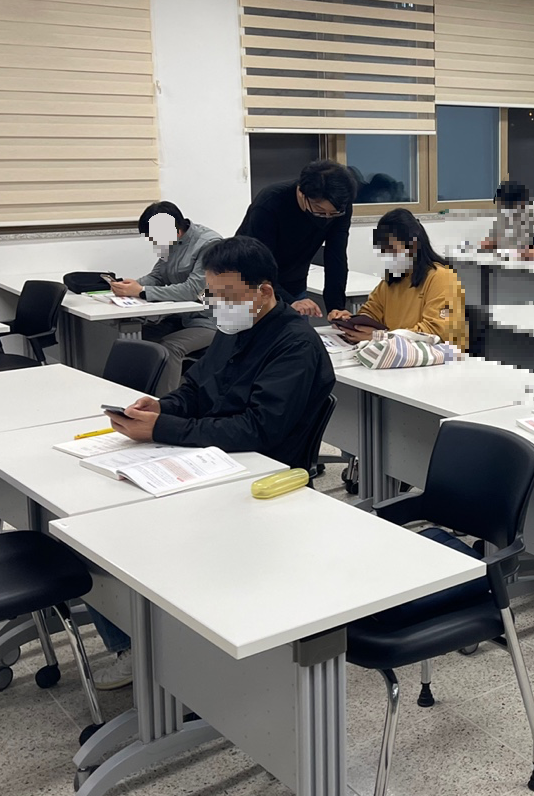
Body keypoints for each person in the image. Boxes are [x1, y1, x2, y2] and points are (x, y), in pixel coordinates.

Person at [91, 237, 335, 689]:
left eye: (227, 295)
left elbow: (257, 431)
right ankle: (137, 639)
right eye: (212, 295)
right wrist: (163, 408)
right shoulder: (233, 327)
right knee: (102, 521)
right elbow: (198, 388)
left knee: (138, 531)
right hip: (212, 457)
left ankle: (169, 651)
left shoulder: (294, 345)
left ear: (263, 291)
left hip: (261, 476)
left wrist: (163, 430)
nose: (218, 305)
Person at [107, 201, 221, 392]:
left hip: (211, 321)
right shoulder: (170, 242)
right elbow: (157, 276)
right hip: (181, 318)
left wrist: (141, 291)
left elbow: (193, 290)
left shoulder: (209, 245)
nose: (154, 243)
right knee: (135, 339)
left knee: (170, 347)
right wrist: (130, 286)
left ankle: (163, 404)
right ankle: (131, 395)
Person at [328, 208, 468, 350]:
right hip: (398, 354)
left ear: (413, 245)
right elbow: (371, 313)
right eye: (383, 250)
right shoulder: (391, 280)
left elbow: (434, 333)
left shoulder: (441, 278)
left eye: (392, 249)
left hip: (441, 357)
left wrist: (380, 337)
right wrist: (350, 321)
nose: (387, 256)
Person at [236, 160, 357, 318]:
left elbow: (336, 256)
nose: (327, 217)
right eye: (319, 210)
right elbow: (255, 263)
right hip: (250, 283)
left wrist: (336, 308)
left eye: (333, 213)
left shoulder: (339, 207)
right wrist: (289, 301)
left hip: (295, 283)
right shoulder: (270, 203)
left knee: (297, 330)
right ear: (301, 192)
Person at [479, 181, 534, 252]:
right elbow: (489, 241)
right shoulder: (503, 218)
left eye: (506, 205)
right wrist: (491, 242)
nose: (502, 209)